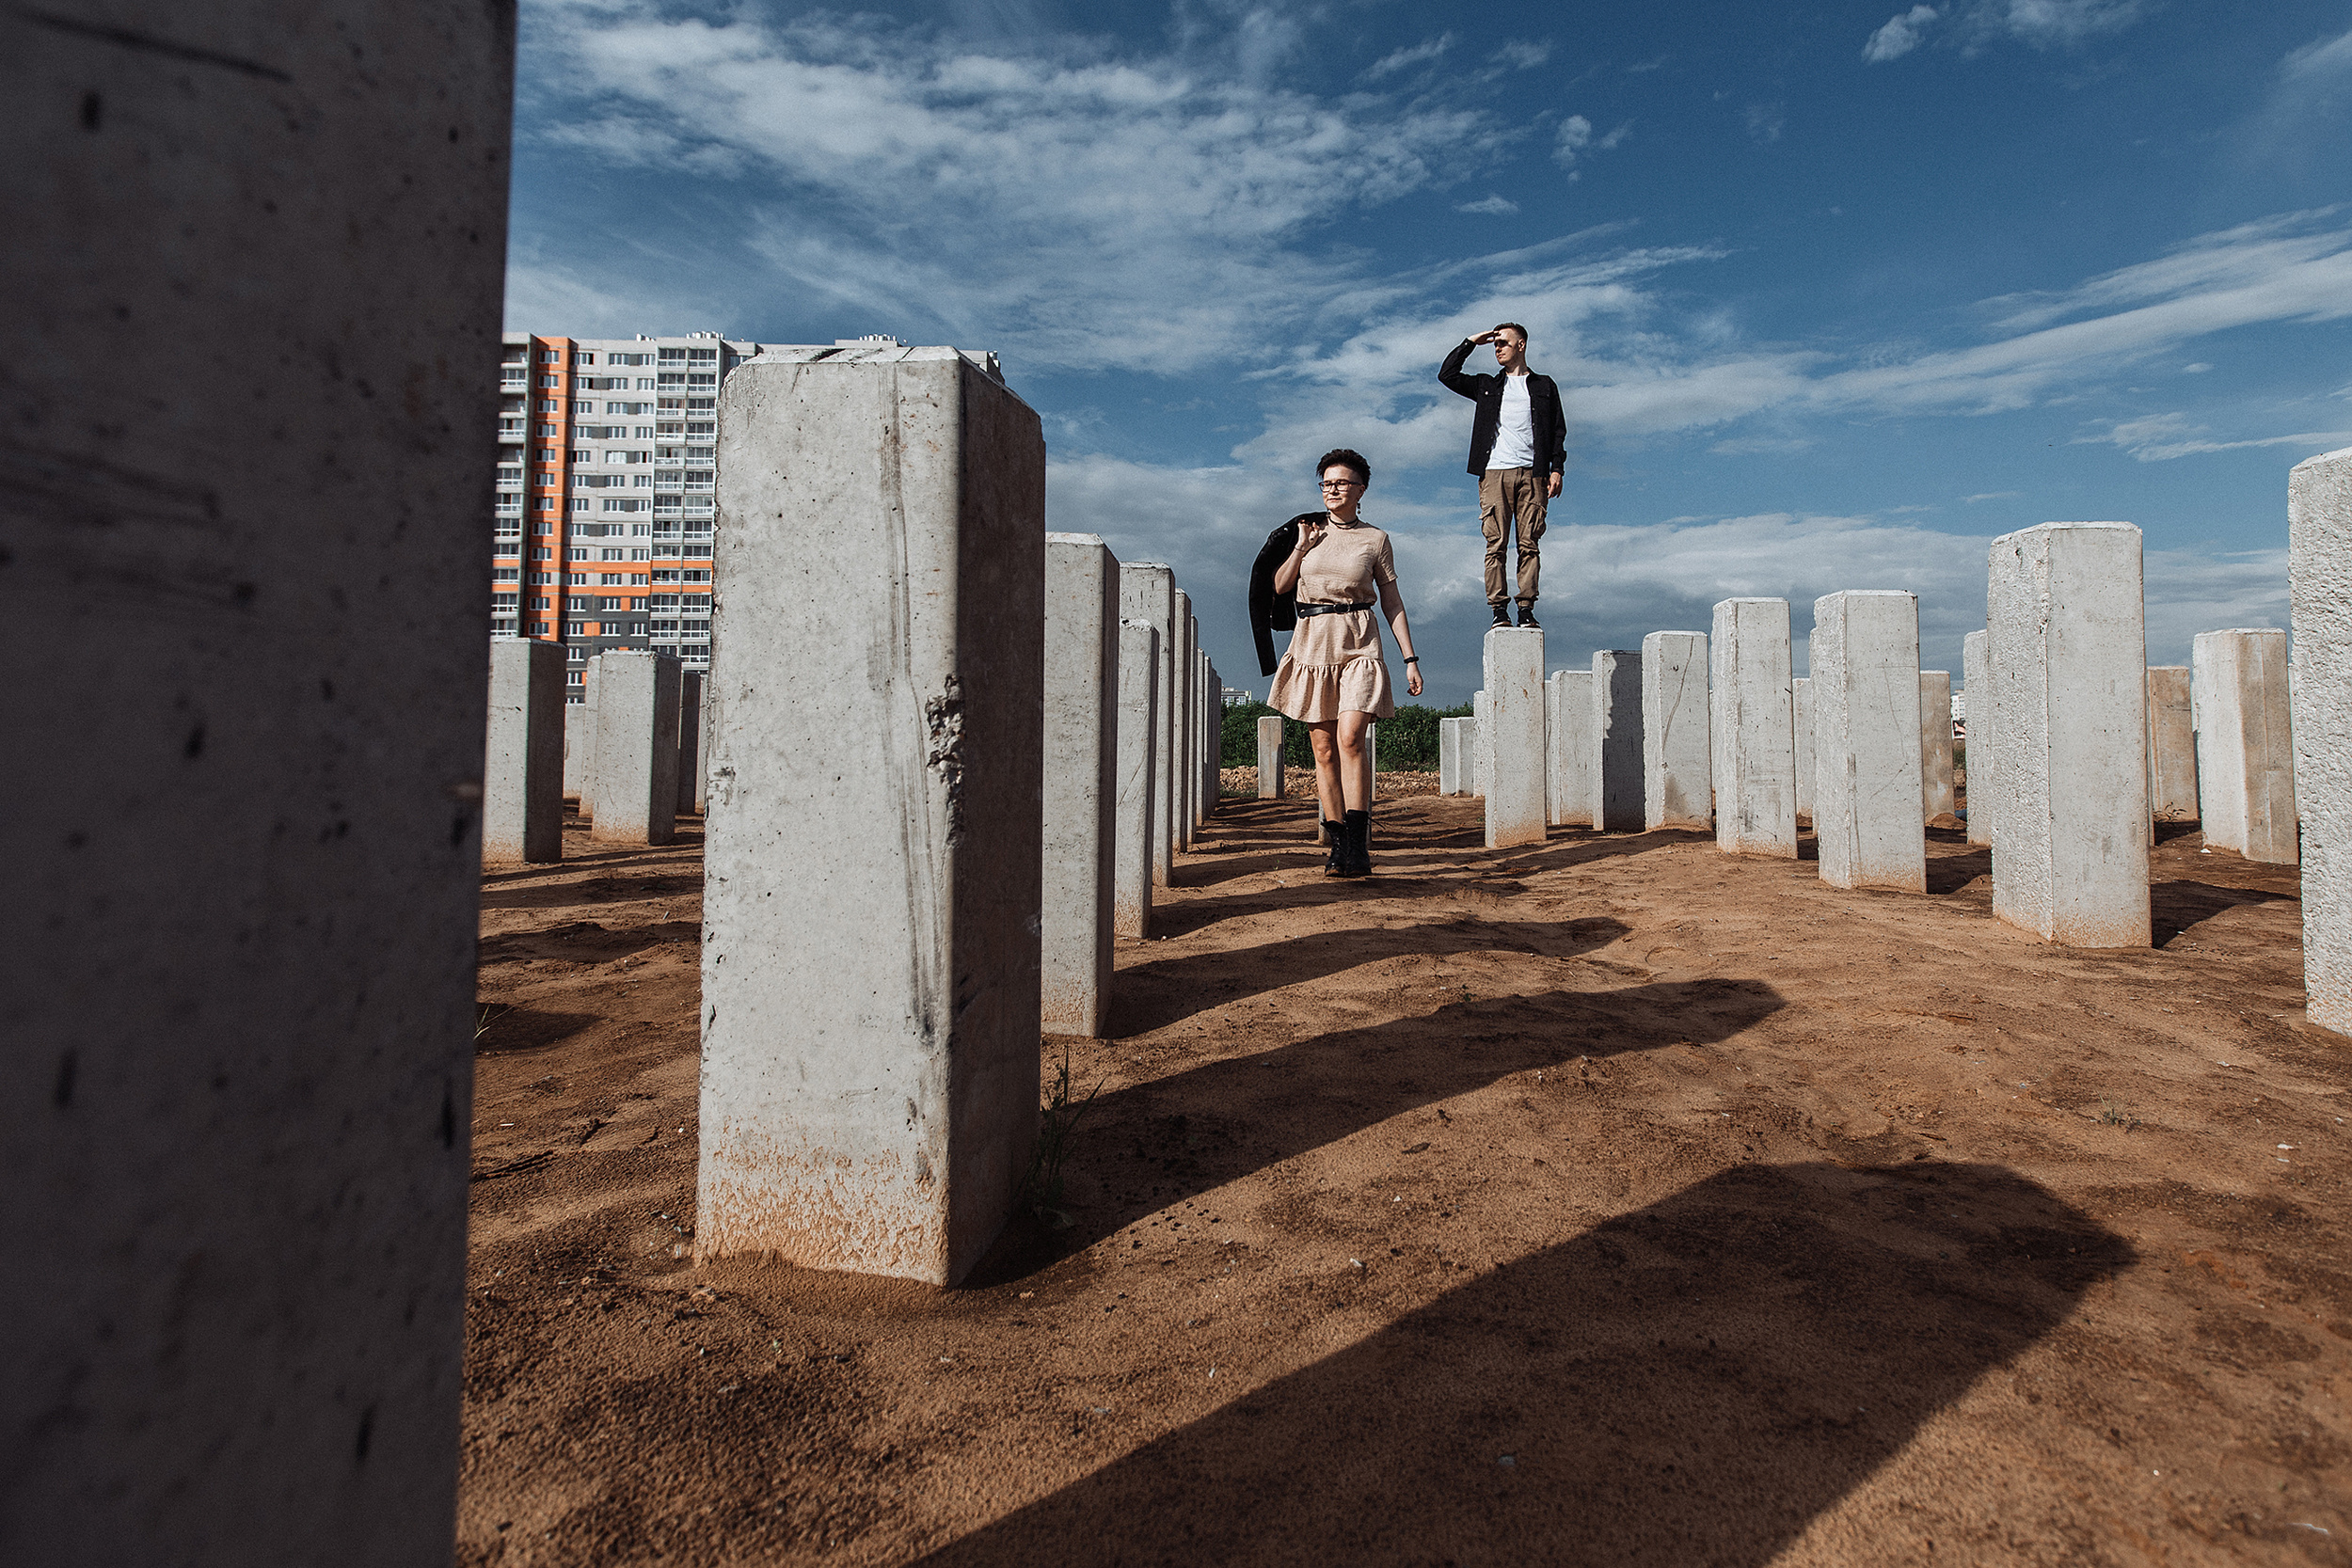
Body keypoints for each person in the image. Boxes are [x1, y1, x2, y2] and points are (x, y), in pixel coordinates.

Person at [1246, 448, 1423, 878]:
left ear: (1360, 489)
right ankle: (1339, 844)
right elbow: (1280, 586)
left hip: (1359, 642)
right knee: (1323, 749)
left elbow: (1392, 601)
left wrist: (1410, 658)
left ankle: (1359, 846)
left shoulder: (1375, 540)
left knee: (1349, 738)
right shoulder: (1305, 532)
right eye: (1326, 482)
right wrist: (1302, 546)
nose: (1332, 489)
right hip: (1312, 644)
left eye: (1341, 482)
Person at [1438, 323, 1565, 629]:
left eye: (1503, 343)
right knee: (1495, 543)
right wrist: (1471, 341)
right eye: (1494, 344)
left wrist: (1557, 468)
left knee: (1529, 544)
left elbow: (1558, 431)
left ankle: (1526, 609)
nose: (1497, 348)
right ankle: (1499, 610)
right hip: (1494, 472)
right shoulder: (1487, 385)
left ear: (1521, 344)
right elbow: (1447, 375)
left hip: (1533, 474)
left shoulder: (1544, 386)